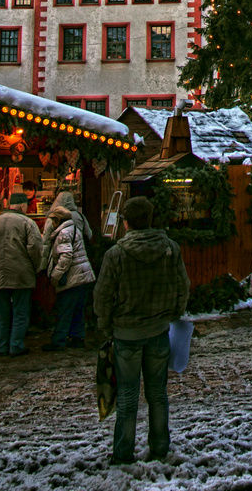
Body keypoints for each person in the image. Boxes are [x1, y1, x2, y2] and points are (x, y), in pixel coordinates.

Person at [93, 196, 190, 466]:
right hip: (159, 330)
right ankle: (159, 447)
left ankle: (123, 453)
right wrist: (174, 315)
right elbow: (183, 286)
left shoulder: (116, 254)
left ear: (126, 223)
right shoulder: (170, 248)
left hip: (126, 334)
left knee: (126, 396)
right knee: (158, 393)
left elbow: (102, 296)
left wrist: (106, 326)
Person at [0, 191, 43, 357]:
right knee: (20, 311)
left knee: (1, 313)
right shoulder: (27, 222)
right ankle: (16, 345)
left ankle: (2, 346)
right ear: (22, 205)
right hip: (21, 272)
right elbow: (35, 248)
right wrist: (35, 268)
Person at [42, 203, 96, 351]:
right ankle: (77, 337)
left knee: (64, 309)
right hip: (82, 275)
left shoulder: (63, 233)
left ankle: (58, 340)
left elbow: (66, 257)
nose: (51, 223)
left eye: (53, 220)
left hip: (74, 276)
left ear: (58, 220)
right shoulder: (73, 229)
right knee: (77, 308)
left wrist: (55, 276)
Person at [40, 190, 93, 271]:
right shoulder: (79, 216)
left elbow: (46, 242)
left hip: (59, 259)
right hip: (79, 258)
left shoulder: (53, 218)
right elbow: (89, 235)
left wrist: (43, 265)